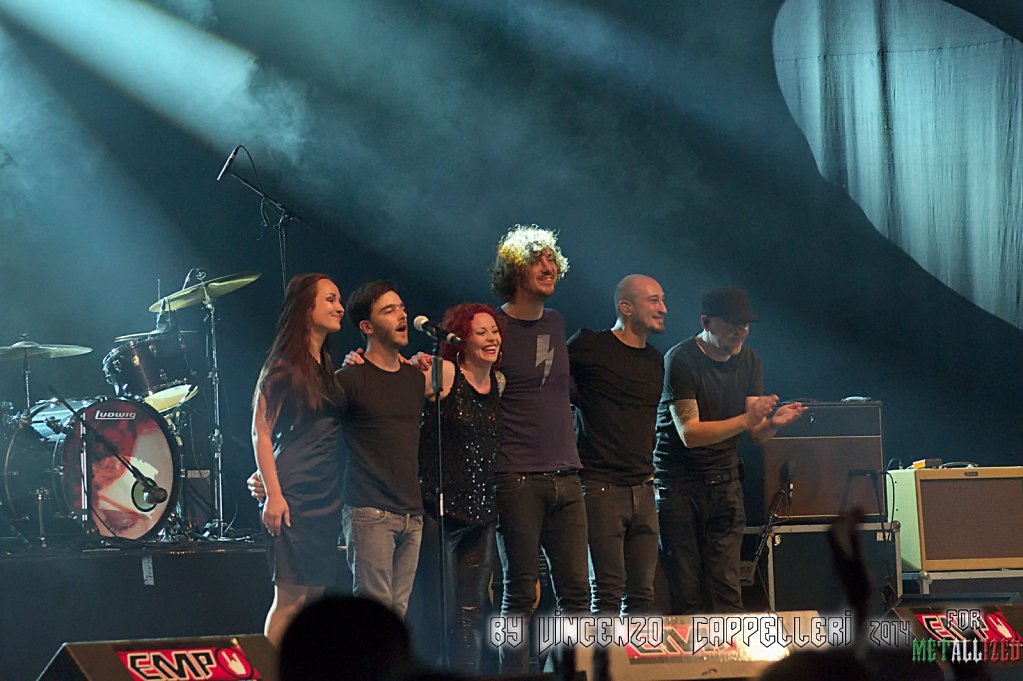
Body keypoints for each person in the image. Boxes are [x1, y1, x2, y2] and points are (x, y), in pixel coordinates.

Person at [654, 286, 806, 614]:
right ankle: (690, 663)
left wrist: (774, 423)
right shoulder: (680, 359)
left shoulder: (749, 360)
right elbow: (690, 433)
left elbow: (754, 434)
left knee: (726, 583)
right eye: (733, 324)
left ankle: (729, 659)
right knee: (687, 586)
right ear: (706, 322)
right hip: (678, 486)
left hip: (725, 483)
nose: (741, 332)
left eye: (746, 325)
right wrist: (746, 419)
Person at [489, 224, 589, 673]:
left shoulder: (556, 322)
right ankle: (511, 674)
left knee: (577, 593)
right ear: (514, 269)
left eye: (552, 260)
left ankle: (575, 671)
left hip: (566, 475)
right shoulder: (494, 327)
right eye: (538, 260)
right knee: (519, 589)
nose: (549, 267)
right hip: (516, 475)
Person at [251, 273, 345, 645]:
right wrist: (273, 494)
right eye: (331, 300)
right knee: (290, 599)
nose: (340, 307)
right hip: (295, 493)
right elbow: (261, 431)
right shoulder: (283, 364)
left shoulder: (324, 364)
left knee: (314, 600)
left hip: (325, 492)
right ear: (307, 309)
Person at [568, 274, 666, 615]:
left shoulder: (655, 359)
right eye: (653, 300)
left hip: (643, 488)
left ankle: (632, 668)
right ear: (625, 307)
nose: (663, 308)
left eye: (662, 300)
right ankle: (602, 668)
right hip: (600, 488)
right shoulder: (589, 346)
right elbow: (550, 385)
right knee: (607, 593)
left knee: (642, 595)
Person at [415, 302, 504, 675]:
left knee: (472, 613)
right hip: (441, 510)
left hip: (482, 514)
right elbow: (396, 382)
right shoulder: (446, 372)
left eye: (494, 331)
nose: (491, 338)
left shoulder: (499, 382)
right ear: (461, 338)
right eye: (480, 332)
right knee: (442, 612)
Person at [336, 280, 426, 619]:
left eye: (402, 308)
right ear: (367, 326)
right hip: (369, 511)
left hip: (411, 513)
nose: (402, 315)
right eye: (389, 310)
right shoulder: (351, 377)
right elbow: (314, 426)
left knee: (397, 616)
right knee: (374, 619)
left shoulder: (415, 377)